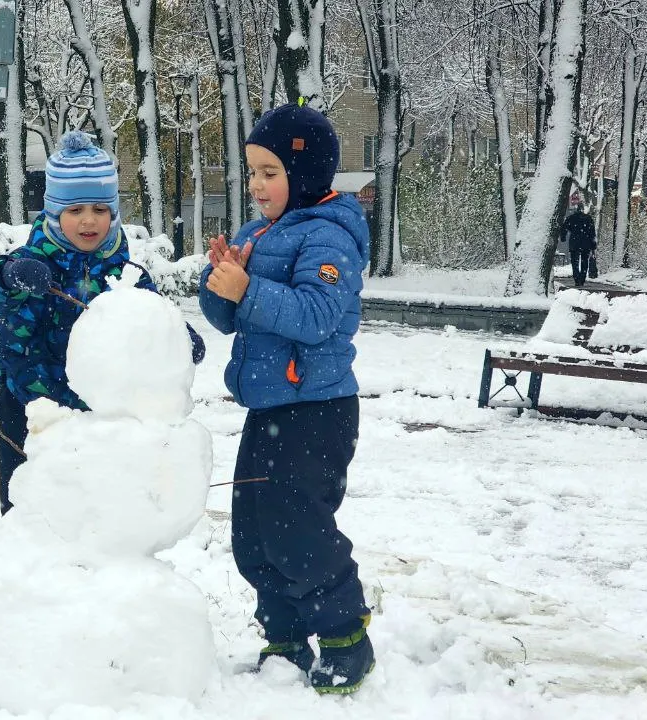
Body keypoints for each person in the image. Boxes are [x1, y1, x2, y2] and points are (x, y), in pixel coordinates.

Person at [199, 102, 374, 694]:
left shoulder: (330, 236)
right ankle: (284, 638)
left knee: (298, 528)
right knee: (252, 531)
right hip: (269, 408)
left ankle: (346, 636)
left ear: (304, 174)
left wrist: (249, 289)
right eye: (251, 171)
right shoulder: (257, 235)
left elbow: (321, 316)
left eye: (270, 172)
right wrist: (222, 282)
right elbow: (229, 320)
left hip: (318, 410)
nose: (256, 184)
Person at [0, 131, 205, 516]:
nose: (88, 220)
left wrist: (178, 340)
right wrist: (10, 275)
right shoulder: (30, 265)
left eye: (100, 209)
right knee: (29, 514)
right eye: (75, 209)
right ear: (53, 212)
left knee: (94, 520)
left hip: (98, 422)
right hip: (28, 411)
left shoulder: (126, 276)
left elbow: (153, 319)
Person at [562, 204, 596, 287]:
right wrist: (593, 245)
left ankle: (576, 278)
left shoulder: (571, 218)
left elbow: (564, 228)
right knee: (585, 261)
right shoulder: (588, 218)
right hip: (586, 243)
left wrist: (563, 237)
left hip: (574, 242)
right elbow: (592, 232)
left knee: (575, 262)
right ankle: (582, 278)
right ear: (583, 210)